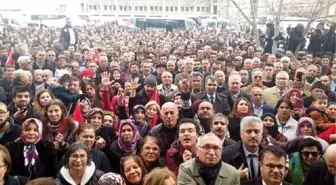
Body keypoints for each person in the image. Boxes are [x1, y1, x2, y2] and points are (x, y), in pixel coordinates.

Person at [222, 116, 263, 181]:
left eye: (256, 131)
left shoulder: (269, 154)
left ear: (262, 134)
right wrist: (235, 178)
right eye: (248, 131)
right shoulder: (226, 155)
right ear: (241, 134)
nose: (253, 135)